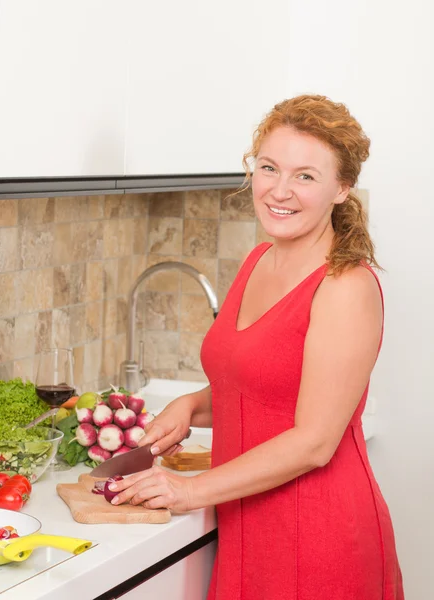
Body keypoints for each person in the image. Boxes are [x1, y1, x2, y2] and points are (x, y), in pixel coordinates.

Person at [109, 95, 404, 599]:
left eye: (305, 176)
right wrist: (191, 405)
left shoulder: (345, 287)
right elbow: (256, 384)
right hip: (248, 521)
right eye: (269, 168)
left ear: (342, 187)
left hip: (319, 537)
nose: (279, 190)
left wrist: (188, 490)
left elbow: (314, 441)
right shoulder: (259, 260)